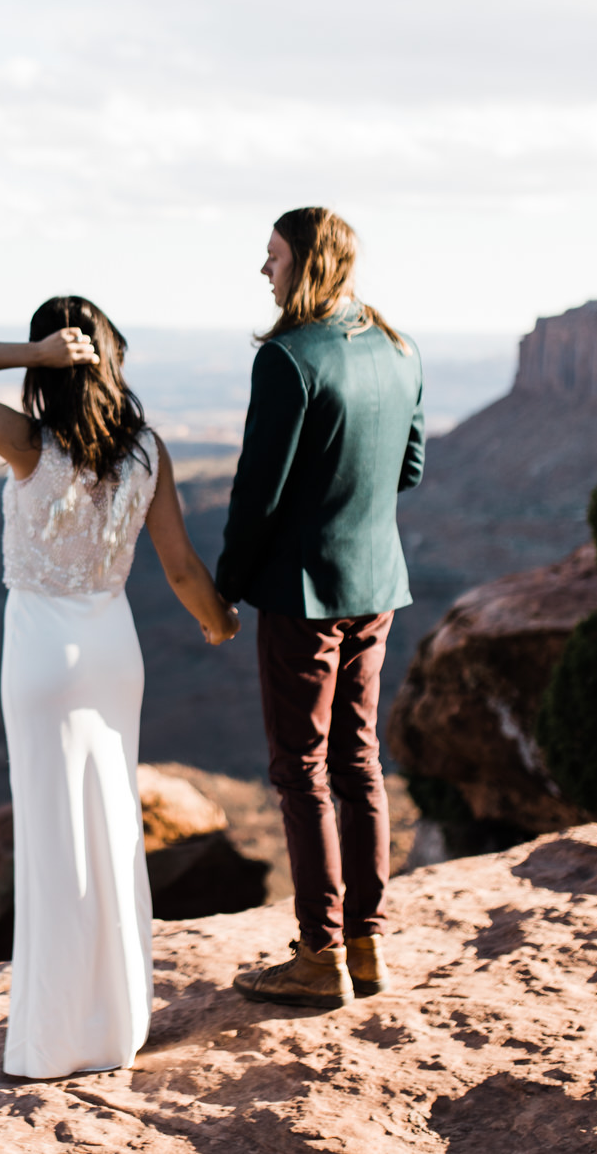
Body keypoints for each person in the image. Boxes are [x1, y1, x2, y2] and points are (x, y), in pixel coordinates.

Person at [0, 297, 237, 1079]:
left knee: (55, 840)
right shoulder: (147, 451)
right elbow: (183, 569)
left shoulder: (27, 442)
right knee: (111, 825)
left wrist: (35, 358)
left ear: (59, 360)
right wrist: (221, 623)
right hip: (111, 650)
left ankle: (55, 1039)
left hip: (40, 657)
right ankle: (115, 1023)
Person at [220, 207, 424, 1010]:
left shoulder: (286, 359)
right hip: (376, 585)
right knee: (360, 760)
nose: (262, 270)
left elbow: (256, 495)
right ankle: (366, 943)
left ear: (305, 262)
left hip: (303, 594)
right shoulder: (400, 348)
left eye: (272, 256)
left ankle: (319, 954)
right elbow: (408, 467)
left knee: (300, 768)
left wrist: (225, 585)